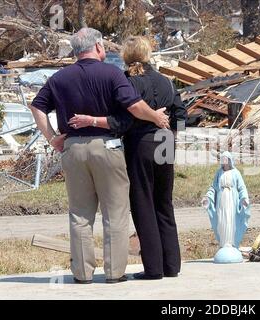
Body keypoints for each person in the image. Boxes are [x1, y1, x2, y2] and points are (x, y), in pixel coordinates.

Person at [30, 28, 169, 284]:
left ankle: (82, 274)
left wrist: (52, 137)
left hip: (73, 149)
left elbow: (36, 106)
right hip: (107, 147)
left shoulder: (59, 78)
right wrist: (156, 116)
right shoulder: (112, 73)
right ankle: (115, 273)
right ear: (97, 47)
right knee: (114, 212)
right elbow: (134, 106)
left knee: (80, 214)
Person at [69, 36, 186, 280]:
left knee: (143, 204)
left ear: (126, 56)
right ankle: (172, 265)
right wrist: (173, 133)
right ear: (148, 54)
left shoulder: (127, 82)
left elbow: (124, 120)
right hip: (166, 143)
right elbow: (182, 115)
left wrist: (98, 122)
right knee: (164, 203)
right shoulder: (168, 82)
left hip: (141, 144)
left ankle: (154, 269)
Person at [202, 152, 250, 251]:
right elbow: (213, 188)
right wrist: (207, 197)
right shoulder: (219, 173)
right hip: (221, 200)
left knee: (231, 219)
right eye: (222, 159)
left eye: (225, 159)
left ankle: (232, 243)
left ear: (229, 160)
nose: (224, 161)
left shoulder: (236, 173)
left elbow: (241, 187)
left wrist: (244, 198)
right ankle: (223, 243)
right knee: (222, 220)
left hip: (232, 200)